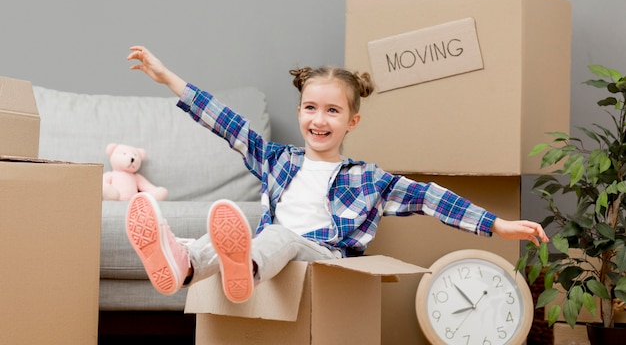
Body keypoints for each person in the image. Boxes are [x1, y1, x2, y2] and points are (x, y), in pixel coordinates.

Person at [125, 45, 549, 304]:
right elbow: (225, 122)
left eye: (333, 111)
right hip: (271, 252)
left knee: (275, 237)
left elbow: (431, 198)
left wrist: (498, 225)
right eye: (311, 109)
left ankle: (246, 270)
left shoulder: (368, 179)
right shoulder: (277, 159)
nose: (319, 120)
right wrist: (167, 78)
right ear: (299, 113)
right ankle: (183, 266)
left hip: (324, 256)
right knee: (216, 238)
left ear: (352, 122)